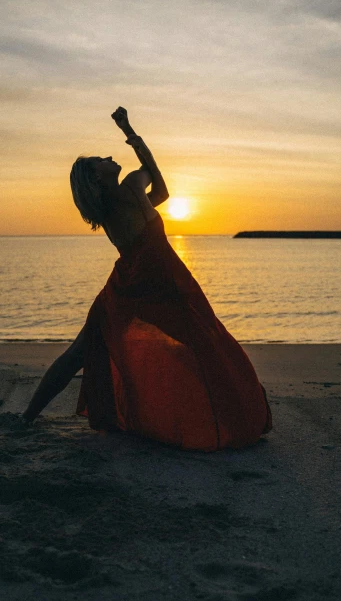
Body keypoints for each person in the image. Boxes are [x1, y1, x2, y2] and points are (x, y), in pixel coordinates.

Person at [23, 107, 272, 450]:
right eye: (100, 159)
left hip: (133, 285)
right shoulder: (127, 191)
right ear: (95, 177)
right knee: (208, 345)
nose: (108, 156)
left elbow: (161, 193)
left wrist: (131, 135)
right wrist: (129, 131)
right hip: (159, 282)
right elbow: (155, 176)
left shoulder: (118, 202)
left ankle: (26, 418)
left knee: (79, 353)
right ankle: (231, 421)